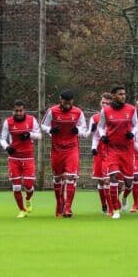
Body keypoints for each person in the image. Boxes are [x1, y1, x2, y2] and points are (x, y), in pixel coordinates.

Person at [98, 85, 138, 220]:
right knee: (113, 177)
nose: (123, 96)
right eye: (120, 94)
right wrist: (103, 135)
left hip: (127, 150)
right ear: (114, 96)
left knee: (129, 183)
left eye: (124, 94)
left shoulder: (131, 109)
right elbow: (101, 127)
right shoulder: (106, 111)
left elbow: (135, 126)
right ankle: (115, 209)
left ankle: (124, 198)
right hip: (112, 149)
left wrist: (131, 134)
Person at [41, 90, 88, 218]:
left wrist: (77, 130)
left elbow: (84, 129)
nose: (67, 104)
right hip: (57, 149)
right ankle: (59, 203)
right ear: (60, 100)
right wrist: (50, 129)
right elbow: (43, 125)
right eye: (65, 102)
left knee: (71, 177)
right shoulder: (52, 111)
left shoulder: (78, 112)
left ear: (72, 101)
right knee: (57, 178)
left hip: (72, 148)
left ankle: (67, 207)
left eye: (69, 102)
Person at [0, 100, 41, 218]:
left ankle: (28, 198)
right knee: (16, 186)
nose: (18, 113)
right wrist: (7, 147)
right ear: (13, 111)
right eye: (16, 111)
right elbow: (2, 138)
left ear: (24, 110)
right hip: (14, 157)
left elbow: (39, 135)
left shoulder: (32, 120)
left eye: (20, 110)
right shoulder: (8, 122)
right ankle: (22, 210)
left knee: (28, 185)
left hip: (28, 157)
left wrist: (30, 135)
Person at [90, 93, 112, 214]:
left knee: (109, 180)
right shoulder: (95, 118)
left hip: (112, 151)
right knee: (101, 180)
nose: (105, 105)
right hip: (99, 151)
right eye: (103, 103)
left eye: (107, 103)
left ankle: (112, 205)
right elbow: (92, 134)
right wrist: (93, 147)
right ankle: (104, 205)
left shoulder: (114, 116)